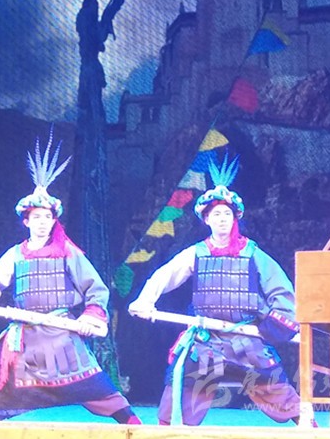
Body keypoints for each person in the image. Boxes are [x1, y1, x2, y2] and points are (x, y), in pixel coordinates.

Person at [0, 131, 140, 424]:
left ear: (54, 220)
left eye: (47, 217)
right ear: (26, 221)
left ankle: (136, 428)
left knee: (101, 392)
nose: (42, 222)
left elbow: (96, 289)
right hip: (24, 336)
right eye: (37, 217)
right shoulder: (16, 254)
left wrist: (91, 316)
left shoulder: (68, 252)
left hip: (61, 337)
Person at [128, 153, 301, 426]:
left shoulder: (253, 254)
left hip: (247, 342)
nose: (222, 219)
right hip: (206, 343)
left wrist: (276, 324)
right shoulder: (196, 253)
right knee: (180, 392)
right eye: (216, 214)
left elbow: (281, 290)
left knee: (283, 396)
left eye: (227, 214)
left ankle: (312, 430)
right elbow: (165, 275)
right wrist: (145, 301)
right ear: (206, 219)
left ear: (235, 218)